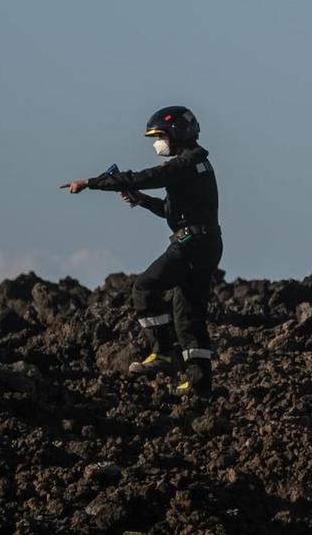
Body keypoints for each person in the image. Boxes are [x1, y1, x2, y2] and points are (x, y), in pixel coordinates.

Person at [62, 106, 221, 398]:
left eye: (160, 136)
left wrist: (91, 183)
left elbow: (141, 177)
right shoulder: (197, 165)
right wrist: (143, 201)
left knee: (144, 289)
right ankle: (200, 386)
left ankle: (163, 352)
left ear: (177, 133)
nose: (157, 143)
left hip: (191, 245)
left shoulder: (184, 165)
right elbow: (174, 212)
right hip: (205, 243)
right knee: (188, 316)